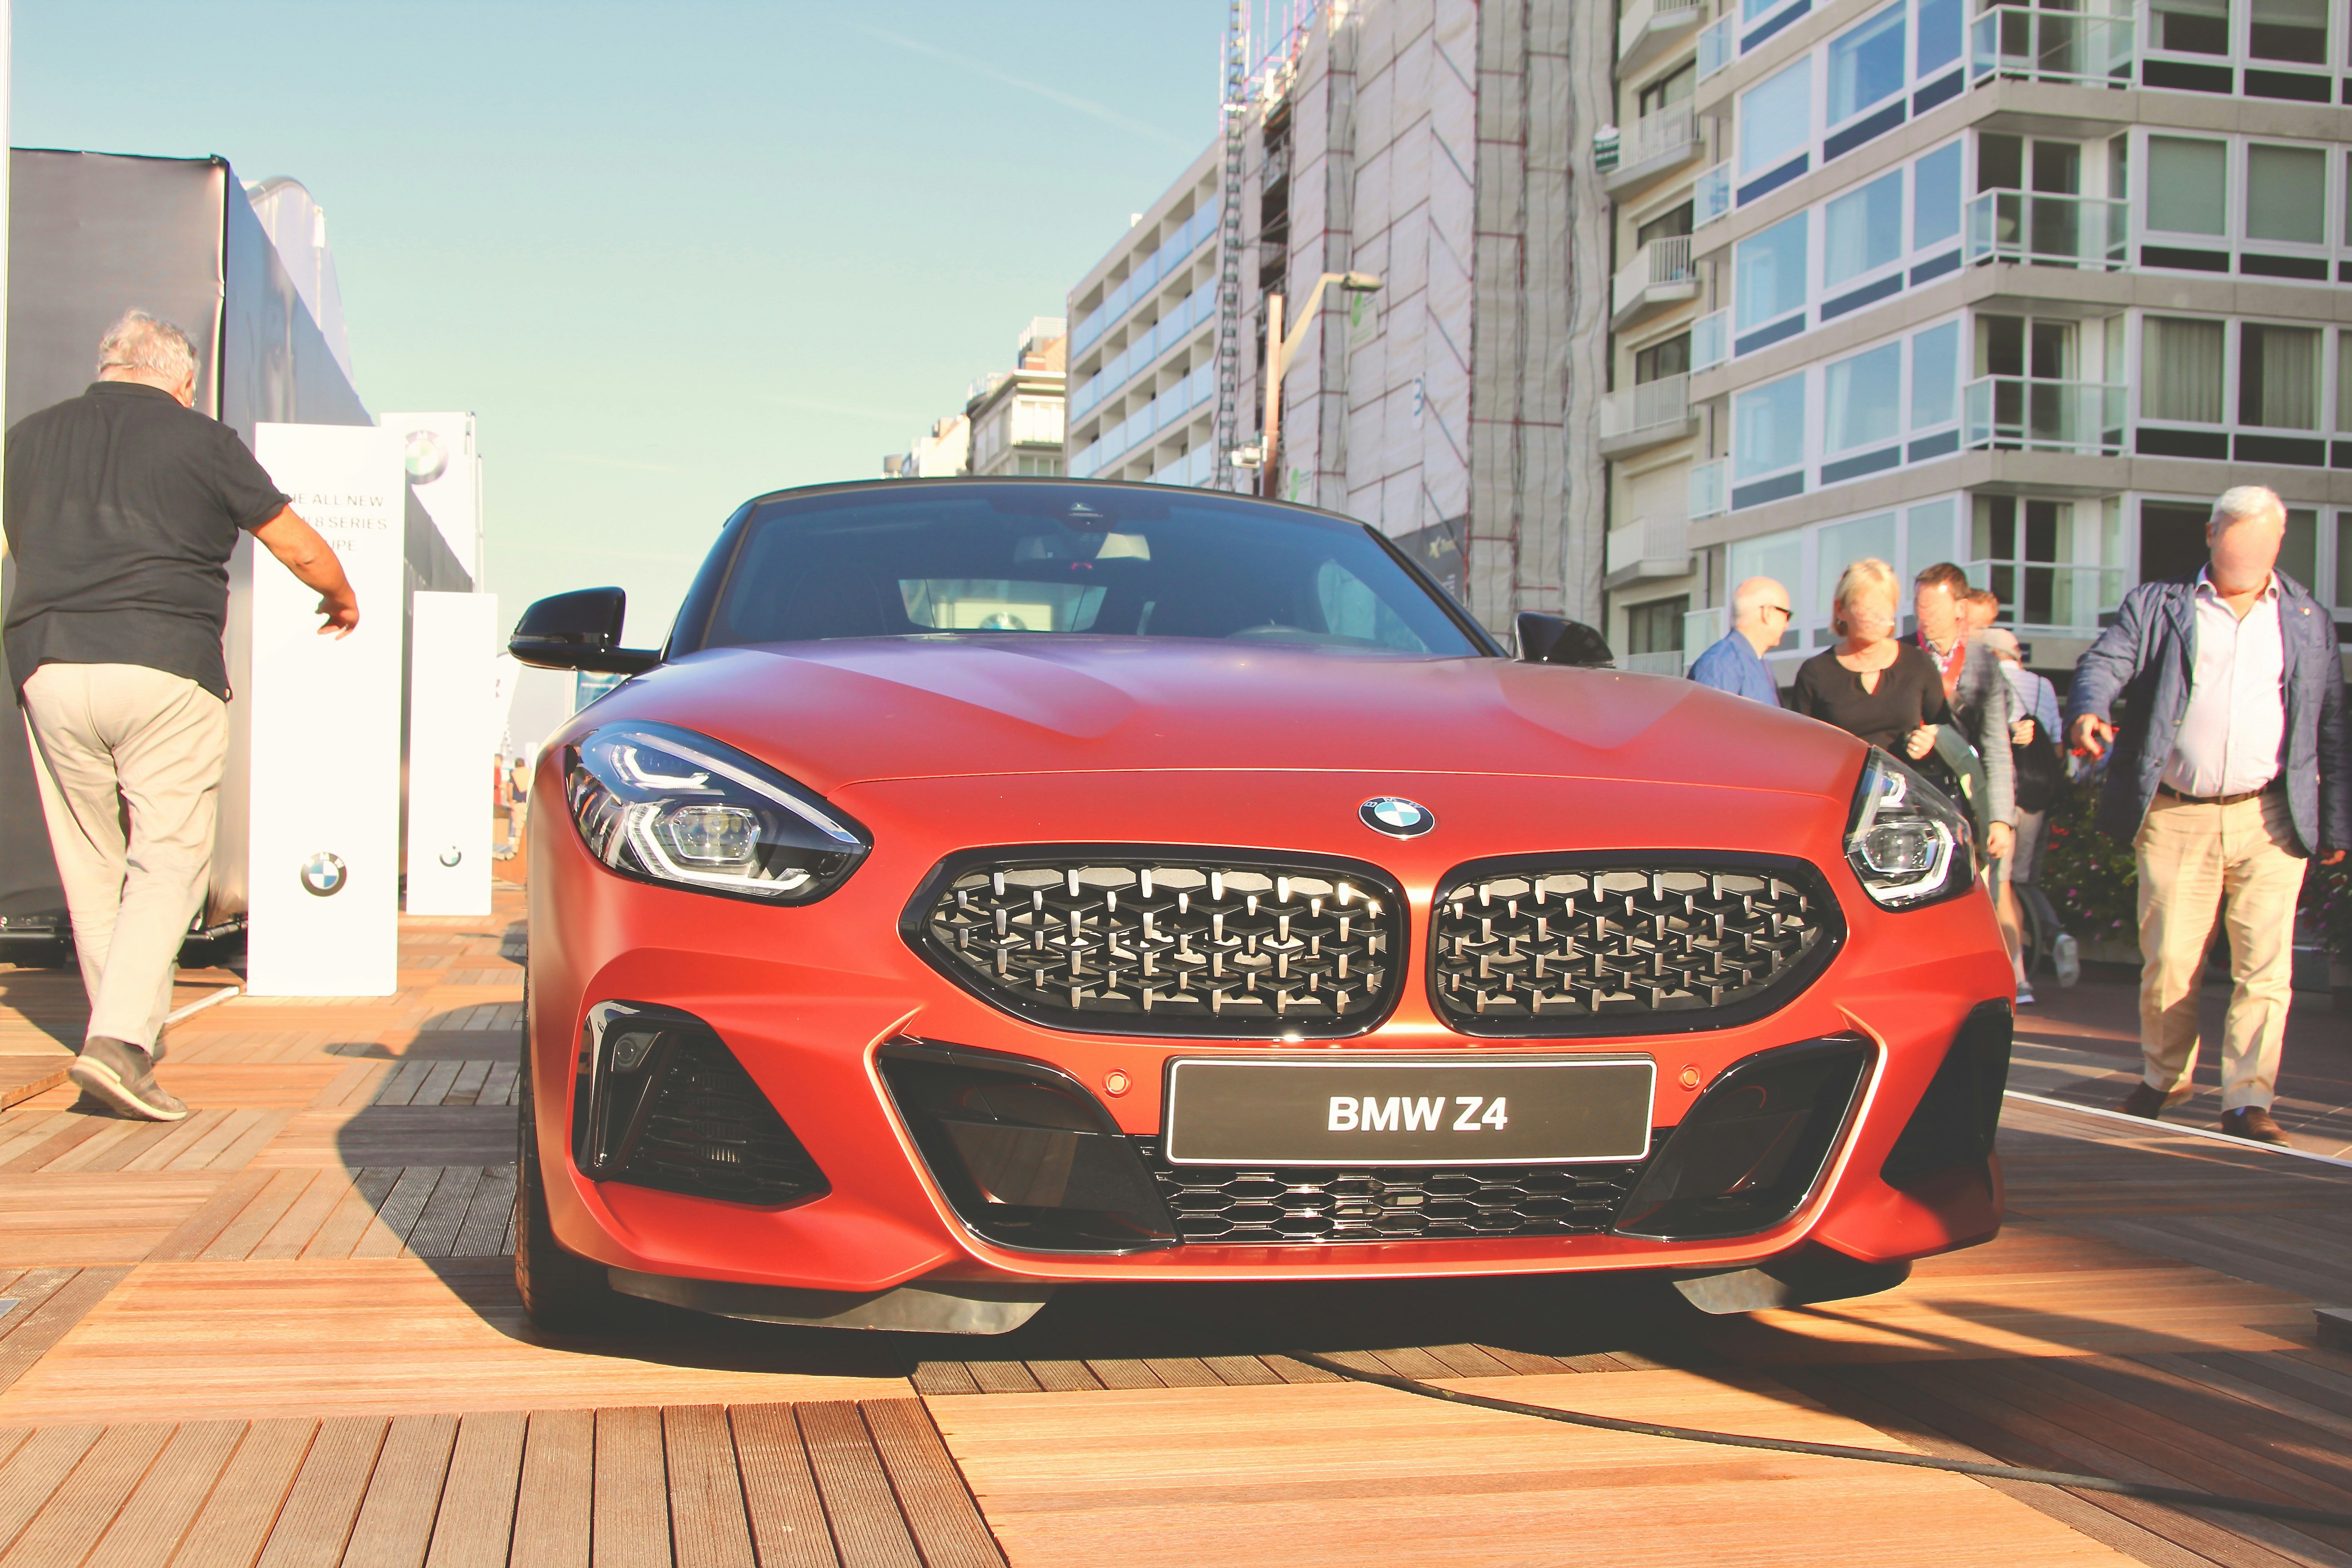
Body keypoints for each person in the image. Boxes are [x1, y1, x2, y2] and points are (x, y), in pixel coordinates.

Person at [3, 310, 359, 1122]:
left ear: (109, 364)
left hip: (49, 663)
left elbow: (22, 543)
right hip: (164, 664)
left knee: (91, 860)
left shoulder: (26, 440)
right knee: (167, 859)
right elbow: (295, 544)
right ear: (183, 380)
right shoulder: (203, 441)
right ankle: (122, 1042)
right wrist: (339, 596)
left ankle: (119, 1033)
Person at [2068, 485, 2347, 1146]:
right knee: (2169, 961)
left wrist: (2334, 825)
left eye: (2264, 539)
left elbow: (2332, 724)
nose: (2250, 551)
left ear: (2279, 543)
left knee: (2265, 969)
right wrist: (2088, 709)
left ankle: (2249, 1097)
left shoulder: (2308, 618)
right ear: (2212, 533)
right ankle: (2165, 1077)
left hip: (2270, 818)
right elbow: (2106, 662)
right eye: (2237, 537)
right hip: (2177, 814)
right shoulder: (2160, 605)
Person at [1790, 558, 1954, 767]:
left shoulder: (1917, 663)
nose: (1877, 616)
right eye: (1866, 607)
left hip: (1905, 794)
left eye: (1885, 606)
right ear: (1841, 610)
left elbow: (1946, 734)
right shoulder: (1816, 673)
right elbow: (1802, 749)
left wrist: (1929, 745)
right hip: (1843, 792)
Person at [1980, 627, 2068, 1003]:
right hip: (2034, 791)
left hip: (1995, 789)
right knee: (2019, 879)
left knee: (2000, 883)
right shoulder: (2043, 685)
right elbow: (2058, 743)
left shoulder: (1983, 678)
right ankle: (2051, 939)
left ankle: (2016, 967)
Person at [1913, 564, 2016, 876]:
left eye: (1934, 606)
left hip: (1966, 797)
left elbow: (1996, 744)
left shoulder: (1984, 663)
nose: (1925, 614)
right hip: (1914, 798)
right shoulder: (1901, 654)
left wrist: (2000, 818)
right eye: (1920, 604)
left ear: (1960, 608)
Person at [1687, 576, 1789, 705]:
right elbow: (1707, 722)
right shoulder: (1721, 664)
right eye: (1787, 615)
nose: (1787, 625)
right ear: (1768, 613)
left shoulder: (1754, 664)